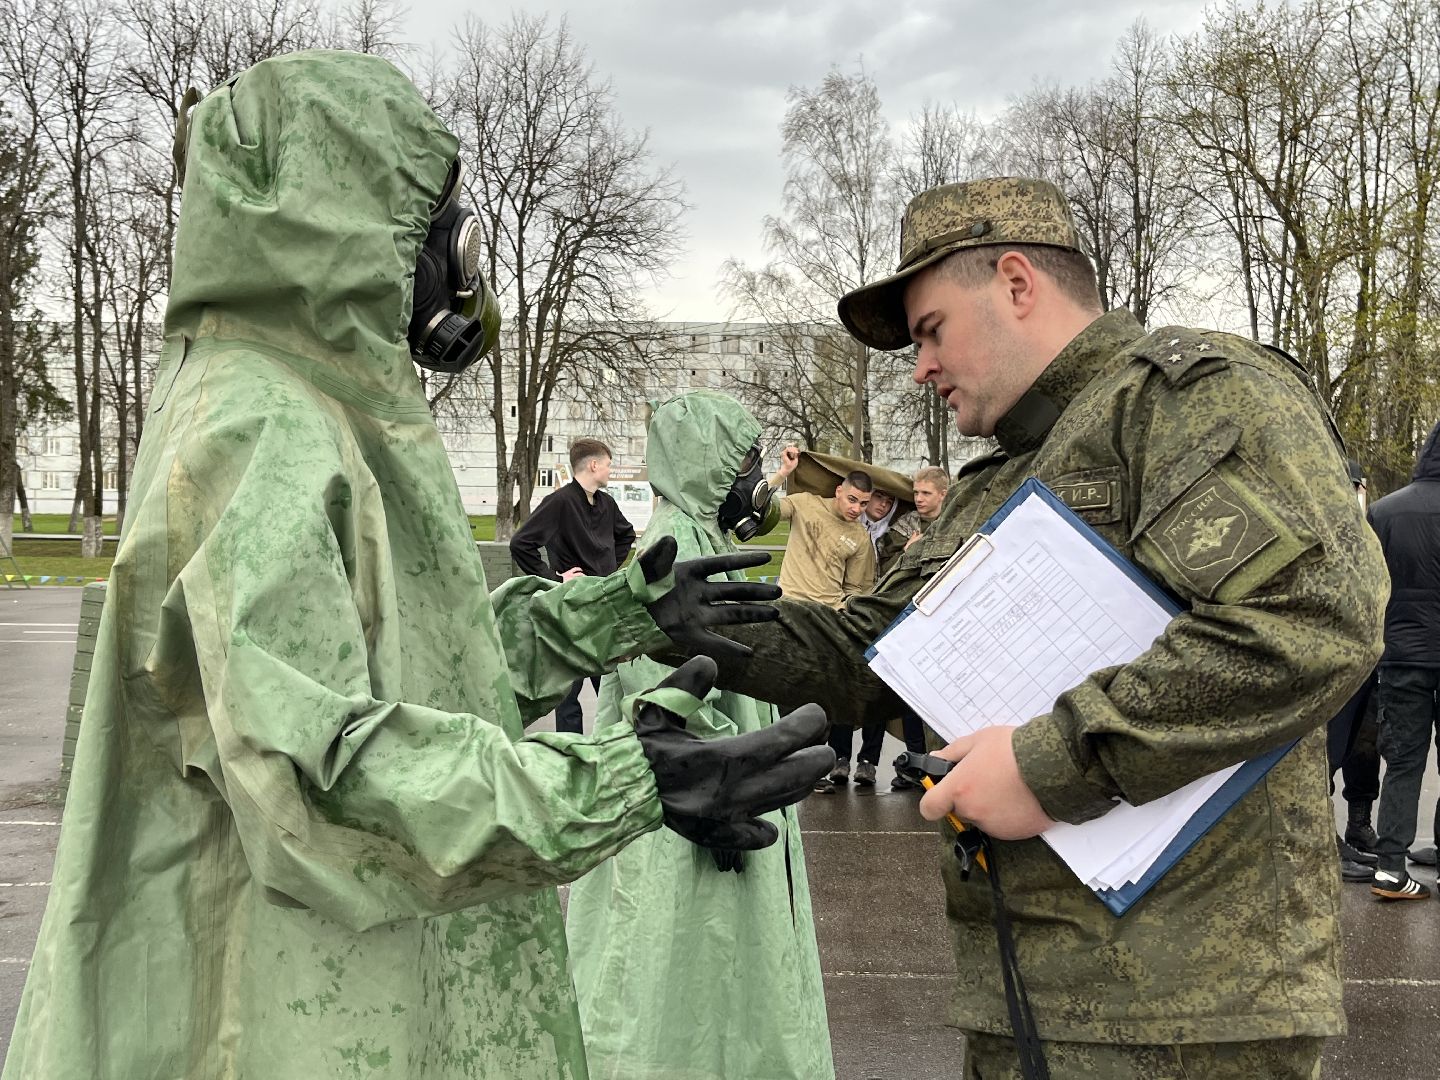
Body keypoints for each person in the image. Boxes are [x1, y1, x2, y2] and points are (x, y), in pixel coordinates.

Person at [1, 52, 836, 1080]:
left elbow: (423, 674)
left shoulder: (320, 407)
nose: (458, 265)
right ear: (360, 231)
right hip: (278, 1010)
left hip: (347, 980)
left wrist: (617, 613)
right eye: (442, 232)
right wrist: (620, 780)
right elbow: (316, 771)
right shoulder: (258, 424)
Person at [664, 177, 1386, 1077]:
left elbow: (1314, 617)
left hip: (1183, 1006)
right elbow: (870, 656)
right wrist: (679, 621)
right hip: (1026, 991)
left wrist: (1049, 764)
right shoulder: (994, 482)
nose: (921, 368)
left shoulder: (1181, 399)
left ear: (1016, 282)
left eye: (932, 332)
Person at [566, 391, 833, 1080]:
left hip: (716, 799)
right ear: (703, 463)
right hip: (692, 816)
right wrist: (725, 768)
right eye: (743, 462)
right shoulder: (676, 548)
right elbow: (665, 689)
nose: (753, 480)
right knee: (679, 972)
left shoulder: (706, 539)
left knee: (716, 972)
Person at [510, 438, 636, 733]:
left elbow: (626, 535)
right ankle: (569, 752)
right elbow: (521, 544)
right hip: (571, 610)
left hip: (604, 608)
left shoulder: (607, 504)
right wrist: (555, 579)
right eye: (607, 465)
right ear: (593, 465)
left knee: (609, 688)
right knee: (568, 694)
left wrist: (607, 571)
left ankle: (612, 746)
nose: (610, 470)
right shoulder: (560, 502)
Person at [1366, 418, 1440, 900]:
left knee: (1403, 761)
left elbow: (1367, 587)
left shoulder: (1383, 511)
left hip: (1400, 656)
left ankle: (1391, 867)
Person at [878, 466, 950, 575]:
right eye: (916, 492)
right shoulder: (903, 527)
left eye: (926, 493)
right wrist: (907, 550)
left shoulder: (954, 522)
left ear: (942, 494)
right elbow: (883, 571)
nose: (918, 499)